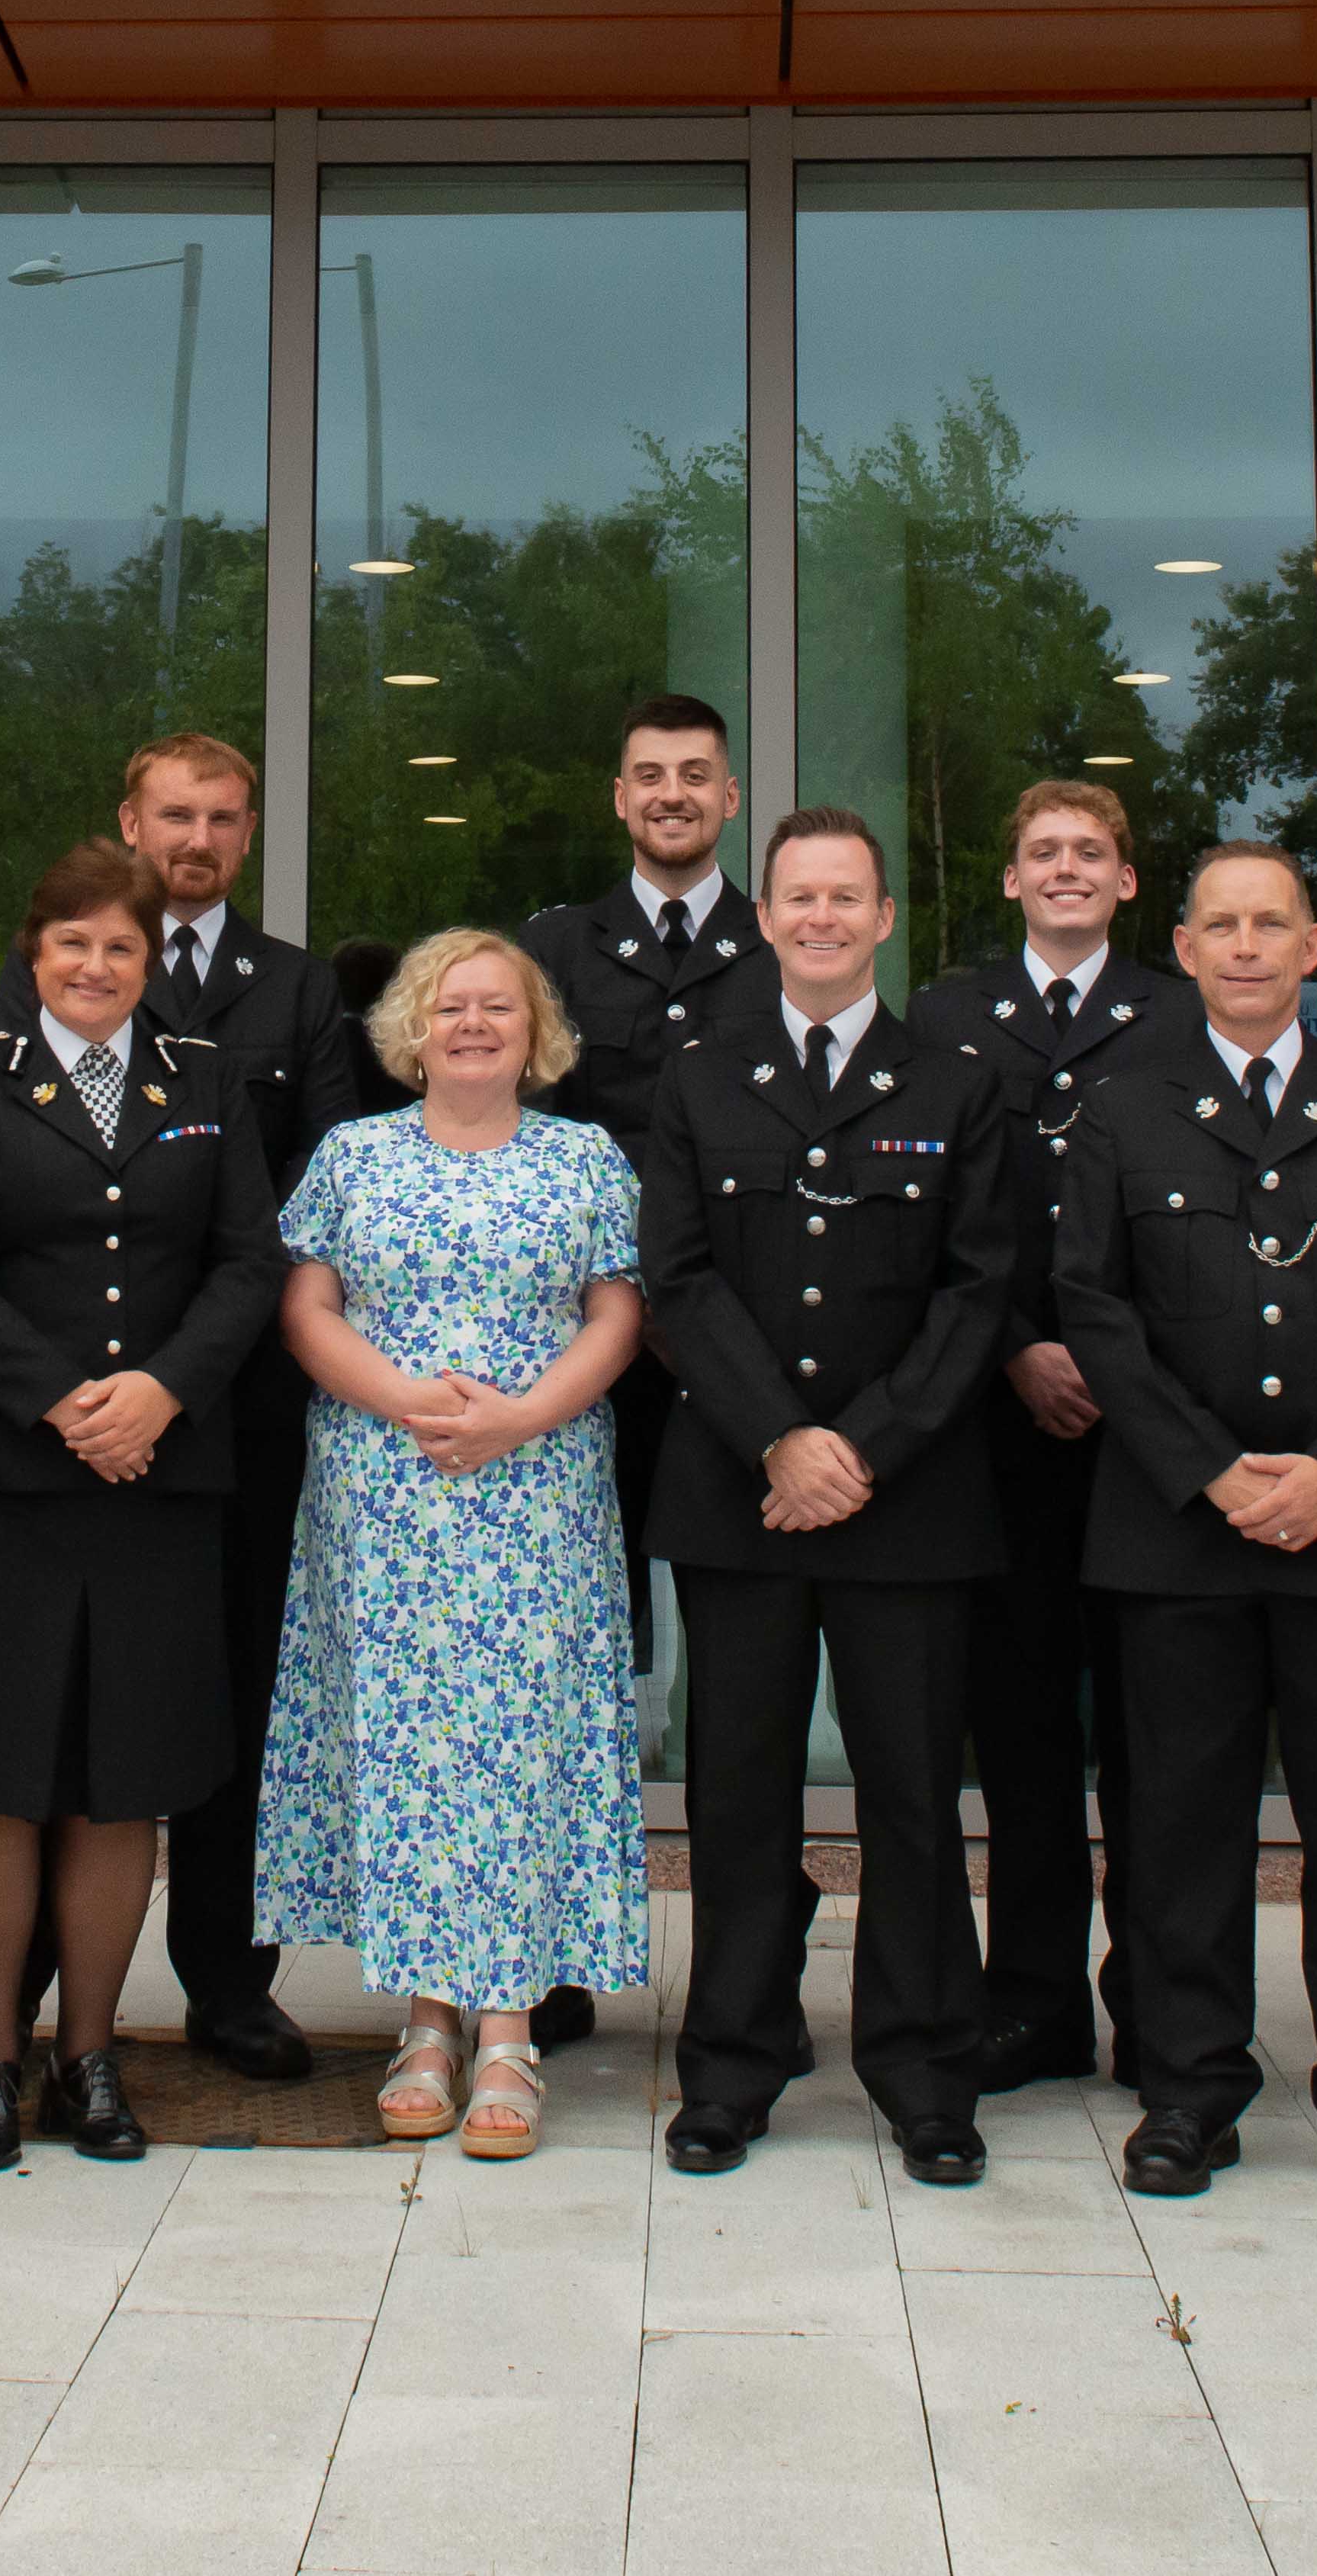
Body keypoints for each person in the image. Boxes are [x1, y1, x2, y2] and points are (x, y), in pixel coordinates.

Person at [1055, 841, 1317, 2210]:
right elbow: (1095, 1307)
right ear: (1180, 948)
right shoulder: (1122, 1106)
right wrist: (1217, 1472)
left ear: (1316, 948)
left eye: (1270, 925)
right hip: (1180, 1532)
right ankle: (1188, 2092)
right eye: (1219, 926)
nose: (1244, 947)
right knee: (1181, 1829)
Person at [0, 838, 284, 2173]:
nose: (99, 967)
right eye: (74, 946)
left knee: (125, 1783)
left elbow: (246, 1262)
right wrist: (67, 1404)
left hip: (159, 1482)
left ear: (153, 961)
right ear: (32, 955)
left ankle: (90, 2059)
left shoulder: (207, 1083)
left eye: (125, 947)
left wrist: (160, 1394)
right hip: (0, 1483)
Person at [634, 808, 1024, 2185]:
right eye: (797, 898)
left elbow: (982, 1291)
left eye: (843, 898)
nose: (818, 919)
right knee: (740, 1796)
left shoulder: (957, 1083)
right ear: (767, 918)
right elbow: (676, 1280)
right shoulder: (699, 1079)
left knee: (913, 1795)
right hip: (740, 1493)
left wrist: (860, 1447)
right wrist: (781, 1444)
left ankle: (927, 2075)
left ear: (884, 918)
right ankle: (733, 2065)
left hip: (908, 1501)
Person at [0, 732, 367, 2084]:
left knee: (233, 1693)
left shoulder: (297, 989)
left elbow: (316, 1193)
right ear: (129, 820)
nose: (195, 839)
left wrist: (176, 1379)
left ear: (248, 832)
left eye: (220, 818)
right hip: (60, 1414)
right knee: (55, 1697)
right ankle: (19, 1994)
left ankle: (229, 1979)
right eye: (172, 815)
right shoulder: (50, 960)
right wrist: (84, 1392)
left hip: (231, 1409)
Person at [253, 927, 654, 2160]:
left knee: (520, 1743)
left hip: (536, 1490)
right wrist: (403, 1400)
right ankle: (423, 2023)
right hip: (385, 1492)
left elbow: (621, 1308)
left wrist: (525, 1413)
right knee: (412, 1747)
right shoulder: (352, 1154)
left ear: (538, 1035)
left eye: (499, 1007)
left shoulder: (585, 1158)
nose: (473, 1024)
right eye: (449, 1006)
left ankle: (508, 2029)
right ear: (410, 1031)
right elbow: (303, 1302)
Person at [910, 775, 1185, 2093]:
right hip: (1002, 1415)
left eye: (1091, 853)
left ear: (1127, 884)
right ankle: (1030, 2004)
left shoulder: (1180, 1014)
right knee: (1017, 1730)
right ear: (1009, 880)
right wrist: (1019, 1343)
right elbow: (944, 1215)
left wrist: (1116, 1366)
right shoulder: (950, 1018)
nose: (1067, 868)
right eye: (1043, 853)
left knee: (1152, 1730)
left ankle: (1154, 2002)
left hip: (1151, 1430)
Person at [514, 692, 773, 2044]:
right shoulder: (556, 947)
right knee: (571, 1658)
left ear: (732, 798)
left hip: (734, 1357)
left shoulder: (777, 942)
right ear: (618, 799)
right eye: (648, 776)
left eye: (696, 776)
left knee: (745, 1674)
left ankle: (753, 1980)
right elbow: (520, 1140)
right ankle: (544, 1953)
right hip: (582, 1360)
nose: (672, 793)